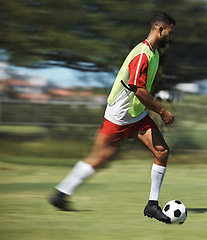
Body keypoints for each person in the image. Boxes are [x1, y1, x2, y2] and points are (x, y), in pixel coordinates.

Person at [50, 12, 176, 224]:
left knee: (162, 151)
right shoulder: (143, 54)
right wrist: (162, 111)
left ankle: (152, 206)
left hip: (135, 116)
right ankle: (60, 194)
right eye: (170, 33)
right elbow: (139, 90)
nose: (171, 38)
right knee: (99, 158)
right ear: (160, 29)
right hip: (117, 117)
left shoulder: (153, 54)